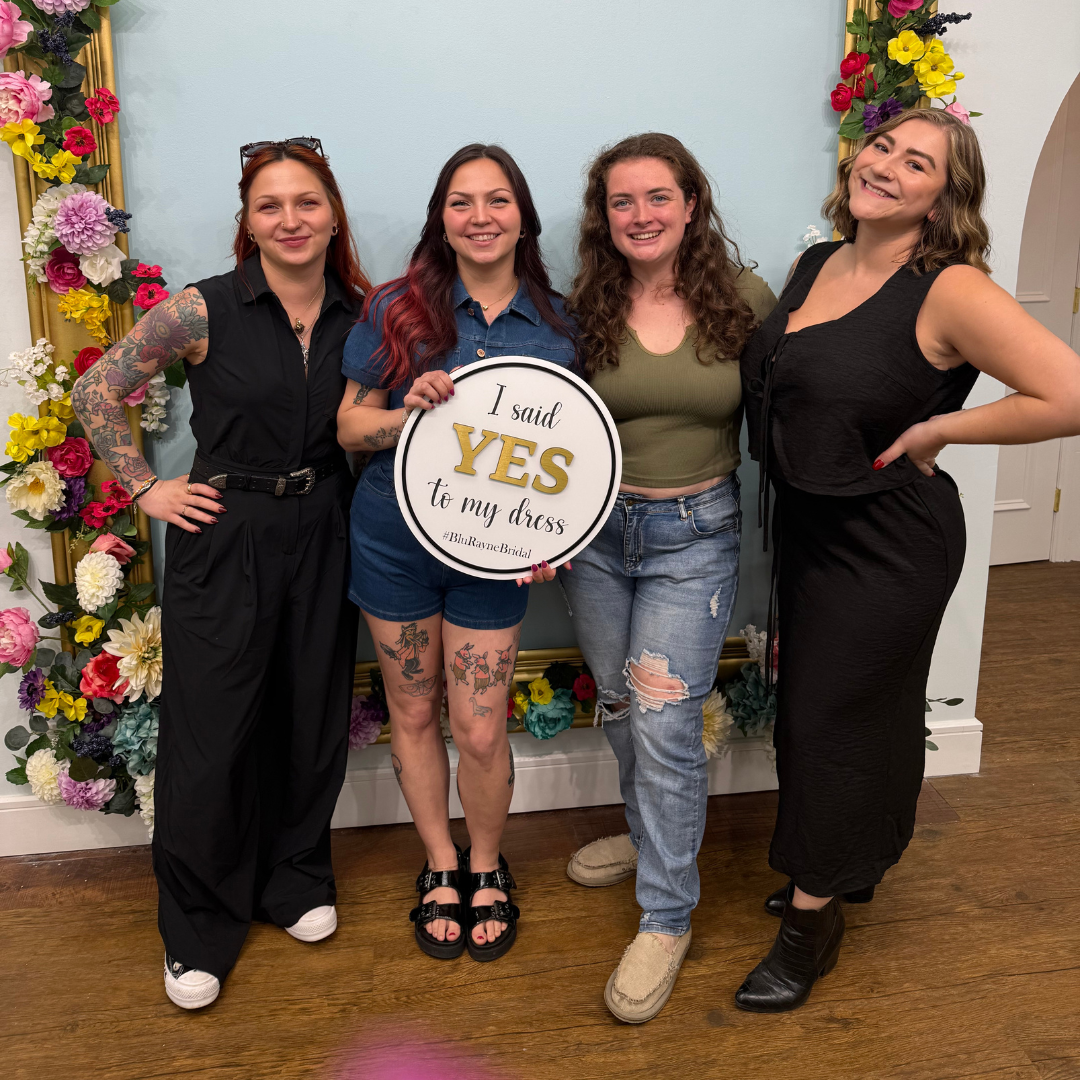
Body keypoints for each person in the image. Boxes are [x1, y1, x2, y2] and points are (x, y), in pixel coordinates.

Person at [737, 108, 1080, 1013]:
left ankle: (811, 926)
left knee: (831, 723)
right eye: (882, 146)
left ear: (943, 199)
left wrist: (941, 426)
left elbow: (1069, 391)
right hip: (814, 532)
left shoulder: (949, 288)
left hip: (888, 542)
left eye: (916, 162)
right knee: (857, 715)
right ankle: (847, 868)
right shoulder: (820, 263)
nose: (885, 165)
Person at [72, 139, 368, 1010]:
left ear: (333, 212)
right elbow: (98, 389)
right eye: (270, 205)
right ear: (247, 220)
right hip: (224, 528)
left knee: (309, 716)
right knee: (213, 731)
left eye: (306, 202)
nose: (290, 219)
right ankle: (197, 924)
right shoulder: (202, 310)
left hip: (325, 527)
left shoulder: (364, 313)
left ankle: (293, 877)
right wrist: (145, 487)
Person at [336, 143, 575, 962]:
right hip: (393, 544)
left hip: (494, 556)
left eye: (498, 200)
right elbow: (348, 427)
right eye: (463, 202)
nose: (481, 218)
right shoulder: (399, 309)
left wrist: (556, 535)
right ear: (442, 217)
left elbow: (573, 464)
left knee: (477, 728)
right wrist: (410, 411)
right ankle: (439, 865)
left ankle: (485, 864)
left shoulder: (559, 322)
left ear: (523, 216)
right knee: (411, 710)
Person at [559, 132, 777, 1023]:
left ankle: (666, 913)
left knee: (664, 718)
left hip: (696, 534)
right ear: (603, 217)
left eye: (658, 197)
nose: (641, 215)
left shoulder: (748, 299)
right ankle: (653, 842)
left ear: (691, 203)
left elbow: (809, 400)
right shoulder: (582, 306)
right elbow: (545, 427)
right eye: (622, 202)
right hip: (598, 537)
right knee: (618, 703)